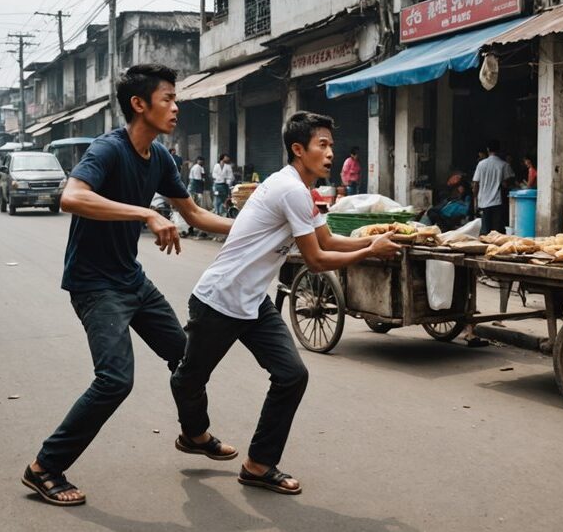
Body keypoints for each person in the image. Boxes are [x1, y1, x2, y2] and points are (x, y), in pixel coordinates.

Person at [22, 64, 234, 507]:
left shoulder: (160, 158)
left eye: (176, 100)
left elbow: (194, 215)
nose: (176, 108)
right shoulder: (107, 150)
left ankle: (194, 434)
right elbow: (71, 197)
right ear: (139, 104)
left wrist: (253, 227)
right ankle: (45, 467)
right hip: (94, 285)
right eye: (168, 99)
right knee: (115, 379)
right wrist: (145, 213)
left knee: (187, 357)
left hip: (131, 280)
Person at [171, 111, 400, 496]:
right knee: (190, 378)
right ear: (298, 149)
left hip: (253, 300)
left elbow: (327, 241)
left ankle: (258, 464)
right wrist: (369, 252)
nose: (330, 153)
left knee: (292, 374)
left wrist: (374, 242)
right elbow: (316, 260)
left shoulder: (298, 189)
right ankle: (195, 434)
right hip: (221, 298)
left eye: (331, 144)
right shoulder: (290, 189)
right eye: (321, 145)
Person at [471, 140, 510, 235]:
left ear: (488, 149)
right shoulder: (504, 165)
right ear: (499, 150)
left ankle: (485, 247)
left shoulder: (481, 164)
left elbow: (475, 184)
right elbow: (505, 184)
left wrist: (475, 199)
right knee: (496, 231)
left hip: (483, 201)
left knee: (484, 230)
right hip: (497, 202)